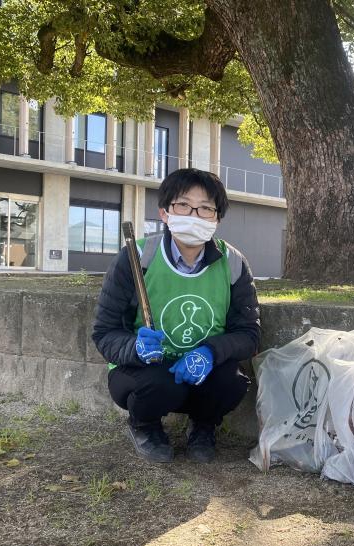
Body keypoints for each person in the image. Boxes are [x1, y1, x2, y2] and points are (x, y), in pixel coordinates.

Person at [92, 168, 260, 463]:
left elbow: (249, 334)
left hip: (202, 369)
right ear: (165, 212)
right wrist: (135, 348)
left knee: (232, 381)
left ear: (217, 218)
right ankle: (144, 426)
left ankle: (204, 425)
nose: (194, 214)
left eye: (206, 208)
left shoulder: (233, 263)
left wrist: (210, 352)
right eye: (183, 205)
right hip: (145, 370)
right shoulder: (137, 258)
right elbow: (104, 332)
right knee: (159, 384)